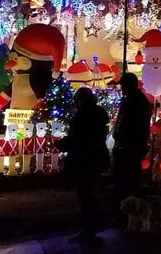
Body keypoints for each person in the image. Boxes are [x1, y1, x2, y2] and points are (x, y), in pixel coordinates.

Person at [56, 87, 110, 244]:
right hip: (96, 157)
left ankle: (89, 229)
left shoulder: (82, 115)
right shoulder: (99, 114)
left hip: (83, 159)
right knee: (90, 193)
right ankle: (93, 226)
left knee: (85, 194)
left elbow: (77, 137)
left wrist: (61, 144)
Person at [112, 73, 151, 203]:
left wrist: (121, 135)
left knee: (128, 174)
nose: (122, 88)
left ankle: (129, 202)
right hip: (129, 143)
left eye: (123, 85)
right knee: (127, 174)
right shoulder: (133, 100)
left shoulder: (135, 101)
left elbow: (132, 124)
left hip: (130, 145)